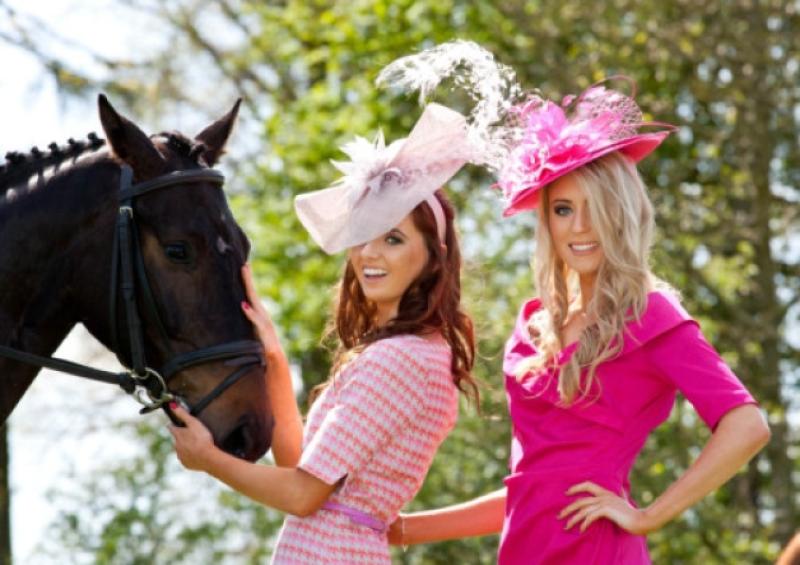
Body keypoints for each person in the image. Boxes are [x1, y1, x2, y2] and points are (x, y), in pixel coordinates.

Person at [387, 78, 771, 564]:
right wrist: (401, 529)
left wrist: (648, 515)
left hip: (598, 550)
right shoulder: (534, 325)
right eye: (564, 209)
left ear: (622, 213)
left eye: (598, 208)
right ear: (547, 220)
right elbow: (530, 488)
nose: (580, 227)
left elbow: (747, 425)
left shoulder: (649, 314)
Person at [169, 102, 480, 564]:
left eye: (393, 238)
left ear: (433, 258)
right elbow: (299, 466)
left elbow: (302, 495)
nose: (369, 253)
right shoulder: (410, 354)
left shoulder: (399, 359)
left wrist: (209, 459)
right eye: (364, 234)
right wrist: (274, 359)